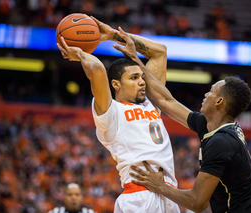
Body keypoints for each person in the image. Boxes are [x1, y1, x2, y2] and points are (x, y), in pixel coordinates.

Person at [112, 30, 251, 212]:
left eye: (211, 92)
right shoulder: (211, 125)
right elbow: (166, 101)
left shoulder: (222, 142)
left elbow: (197, 202)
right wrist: (135, 58)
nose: (205, 94)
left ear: (219, 101)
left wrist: (160, 186)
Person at [57, 17, 180, 213]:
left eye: (141, 76)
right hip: (140, 197)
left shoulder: (152, 104)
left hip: (170, 194)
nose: (142, 81)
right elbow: (97, 68)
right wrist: (80, 52)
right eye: (134, 78)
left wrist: (112, 35)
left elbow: (160, 52)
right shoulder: (111, 112)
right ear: (116, 84)